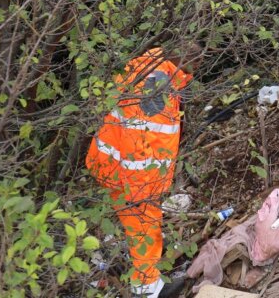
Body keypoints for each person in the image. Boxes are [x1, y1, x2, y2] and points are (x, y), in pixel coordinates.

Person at [86, 43, 202, 296]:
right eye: (197, 64)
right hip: (131, 174)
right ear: (185, 60)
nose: (198, 71)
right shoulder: (159, 91)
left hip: (107, 160)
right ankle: (148, 288)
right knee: (144, 223)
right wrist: (146, 192)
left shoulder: (148, 65)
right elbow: (143, 144)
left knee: (138, 223)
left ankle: (145, 266)